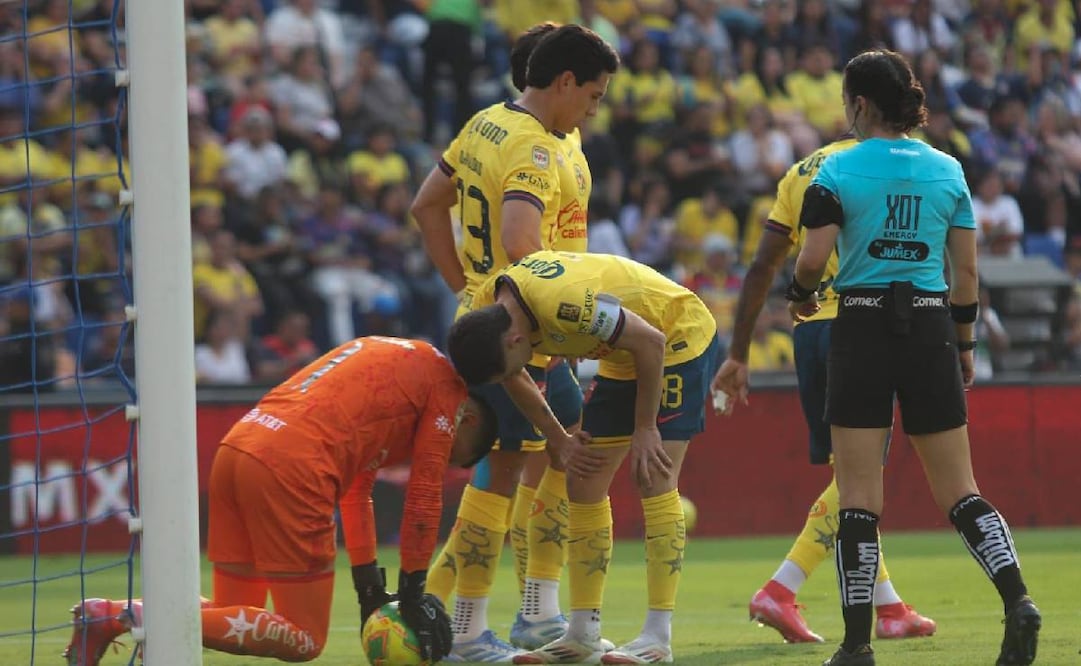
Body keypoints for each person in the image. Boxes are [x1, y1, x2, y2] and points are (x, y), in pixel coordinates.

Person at [784, 50, 1040, 666]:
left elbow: (812, 261)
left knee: (858, 501)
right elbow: (968, 271)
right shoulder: (948, 170)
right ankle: (1018, 601)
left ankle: (855, 646)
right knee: (962, 491)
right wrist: (966, 345)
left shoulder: (837, 172)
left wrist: (801, 296)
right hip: (929, 327)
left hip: (861, 327)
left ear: (860, 104)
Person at [62, 336, 499, 665]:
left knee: (236, 613)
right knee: (306, 639)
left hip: (240, 446)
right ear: (469, 419)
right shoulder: (447, 392)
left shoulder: (396, 365)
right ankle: (127, 620)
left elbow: (357, 488)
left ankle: (106, 613)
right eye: (452, 455)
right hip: (294, 467)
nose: (440, 460)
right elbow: (423, 497)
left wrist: (368, 583)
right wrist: (413, 592)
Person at [411, 23, 618, 662]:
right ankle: (476, 629)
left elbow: (427, 205)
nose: (595, 107)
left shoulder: (485, 125)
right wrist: (567, 313)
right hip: (521, 328)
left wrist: (465, 287)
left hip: (497, 317)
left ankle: (519, 613)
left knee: (544, 455)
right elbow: (525, 243)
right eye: (593, 94)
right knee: (515, 469)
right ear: (561, 80)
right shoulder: (531, 147)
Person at [712, 135, 936, 643]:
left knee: (851, 478)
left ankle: (890, 608)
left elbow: (764, 264)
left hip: (809, 331)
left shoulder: (799, 171)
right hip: (860, 322)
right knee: (859, 479)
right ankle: (781, 588)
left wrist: (739, 352)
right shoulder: (888, 160)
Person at [448, 250, 721, 664]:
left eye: (505, 368)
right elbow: (516, 375)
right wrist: (557, 438)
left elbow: (651, 341)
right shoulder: (489, 305)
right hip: (623, 355)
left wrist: (646, 428)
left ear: (515, 340)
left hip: (676, 337)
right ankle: (582, 634)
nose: (508, 376)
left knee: (654, 475)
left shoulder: (566, 304)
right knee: (582, 481)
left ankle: (657, 638)